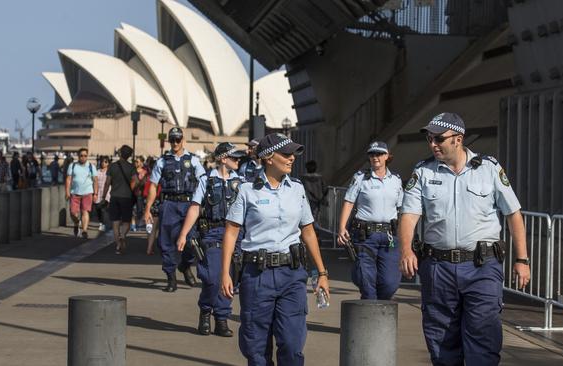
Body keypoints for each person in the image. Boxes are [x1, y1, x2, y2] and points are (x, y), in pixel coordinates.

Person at [398, 112, 531, 366]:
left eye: (439, 138)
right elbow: (408, 216)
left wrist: (521, 259)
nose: (432, 144)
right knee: (442, 345)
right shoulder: (423, 172)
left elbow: (513, 214)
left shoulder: (489, 169)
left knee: (483, 339)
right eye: (429, 139)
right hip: (438, 267)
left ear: (457, 139)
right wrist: (406, 250)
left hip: (483, 267)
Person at [219, 133, 330, 366]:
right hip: (257, 276)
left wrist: (322, 273)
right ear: (269, 157)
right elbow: (231, 231)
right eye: (286, 154)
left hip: (292, 275)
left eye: (293, 154)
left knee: (292, 344)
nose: (292, 159)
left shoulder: (297, 189)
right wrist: (225, 272)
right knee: (256, 348)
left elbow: (308, 231)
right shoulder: (247, 190)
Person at [176, 142, 245, 337]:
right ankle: (206, 311)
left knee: (231, 277)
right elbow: (195, 207)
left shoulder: (242, 182)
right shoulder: (206, 180)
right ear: (223, 159)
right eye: (234, 157)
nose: (238, 160)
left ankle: (221, 318)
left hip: (236, 235)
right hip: (213, 233)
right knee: (213, 277)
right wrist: (183, 234)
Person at [336, 141, 403, 300]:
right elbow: (349, 202)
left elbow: (401, 209)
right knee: (367, 283)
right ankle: (369, 315)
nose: (375, 157)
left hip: (390, 236)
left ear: (387, 156)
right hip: (365, 236)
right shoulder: (360, 178)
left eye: (379, 154)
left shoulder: (396, 180)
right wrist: (341, 228)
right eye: (372, 154)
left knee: (390, 283)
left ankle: (378, 307)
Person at [144, 127, 205, 292]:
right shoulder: (162, 161)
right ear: (168, 141)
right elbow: (153, 185)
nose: (175, 143)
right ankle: (171, 278)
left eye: (178, 140)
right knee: (167, 242)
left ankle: (185, 266)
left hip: (189, 204)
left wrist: (203, 203)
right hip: (169, 204)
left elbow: (203, 182)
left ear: (183, 140)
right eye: (172, 140)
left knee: (192, 241)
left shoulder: (193, 160)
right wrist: (148, 208)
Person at [102, 145, 136, 254]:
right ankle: (123, 235)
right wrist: (133, 188)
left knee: (115, 222)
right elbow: (137, 181)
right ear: (129, 155)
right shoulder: (131, 167)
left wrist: (103, 196)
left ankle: (117, 245)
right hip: (127, 197)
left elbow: (107, 183)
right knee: (127, 221)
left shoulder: (112, 166)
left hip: (115, 197)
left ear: (120, 153)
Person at [65, 148, 98, 239]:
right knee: (73, 212)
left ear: (87, 156)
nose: (83, 157)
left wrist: (95, 194)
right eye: (81, 156)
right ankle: (76, 223)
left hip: (87, 192)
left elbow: (95, 180)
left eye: (85, 156)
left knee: (85, 211)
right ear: (78, 156)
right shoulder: (72, 165)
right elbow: (68, 179)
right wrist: (67, 191)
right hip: (74, 193)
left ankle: (84, 231)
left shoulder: (91, 166)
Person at [144, 156, 160, 255]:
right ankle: (150, 247)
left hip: (148, 203)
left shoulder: (148, 179)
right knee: (154, 228)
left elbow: (145, 193)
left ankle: (149, 245)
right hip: (157, 202)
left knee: (149, 226)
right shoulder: (159, 179)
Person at [130, 155, 148, 232]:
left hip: (141, 194)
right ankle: (133, 224)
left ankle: (138, 223)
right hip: (132, 193)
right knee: (132, 210)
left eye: (137, 162)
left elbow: (147, 183)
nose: (136, 163)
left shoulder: (145, 172)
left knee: (140, 210)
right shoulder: (132, 171)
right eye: (135, 161)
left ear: (142, 163)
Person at [94, 156, 111, 231]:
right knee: (98, 208)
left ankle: (103, 224)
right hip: (99, 191)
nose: (103, 163)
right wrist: (95, 193)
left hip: (107, 192)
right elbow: (95, 182)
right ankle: (101, 222)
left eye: (105, 162)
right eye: (102, 161)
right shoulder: (97, 171)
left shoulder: (110, 172)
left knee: (103, 208)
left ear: (108, 163)